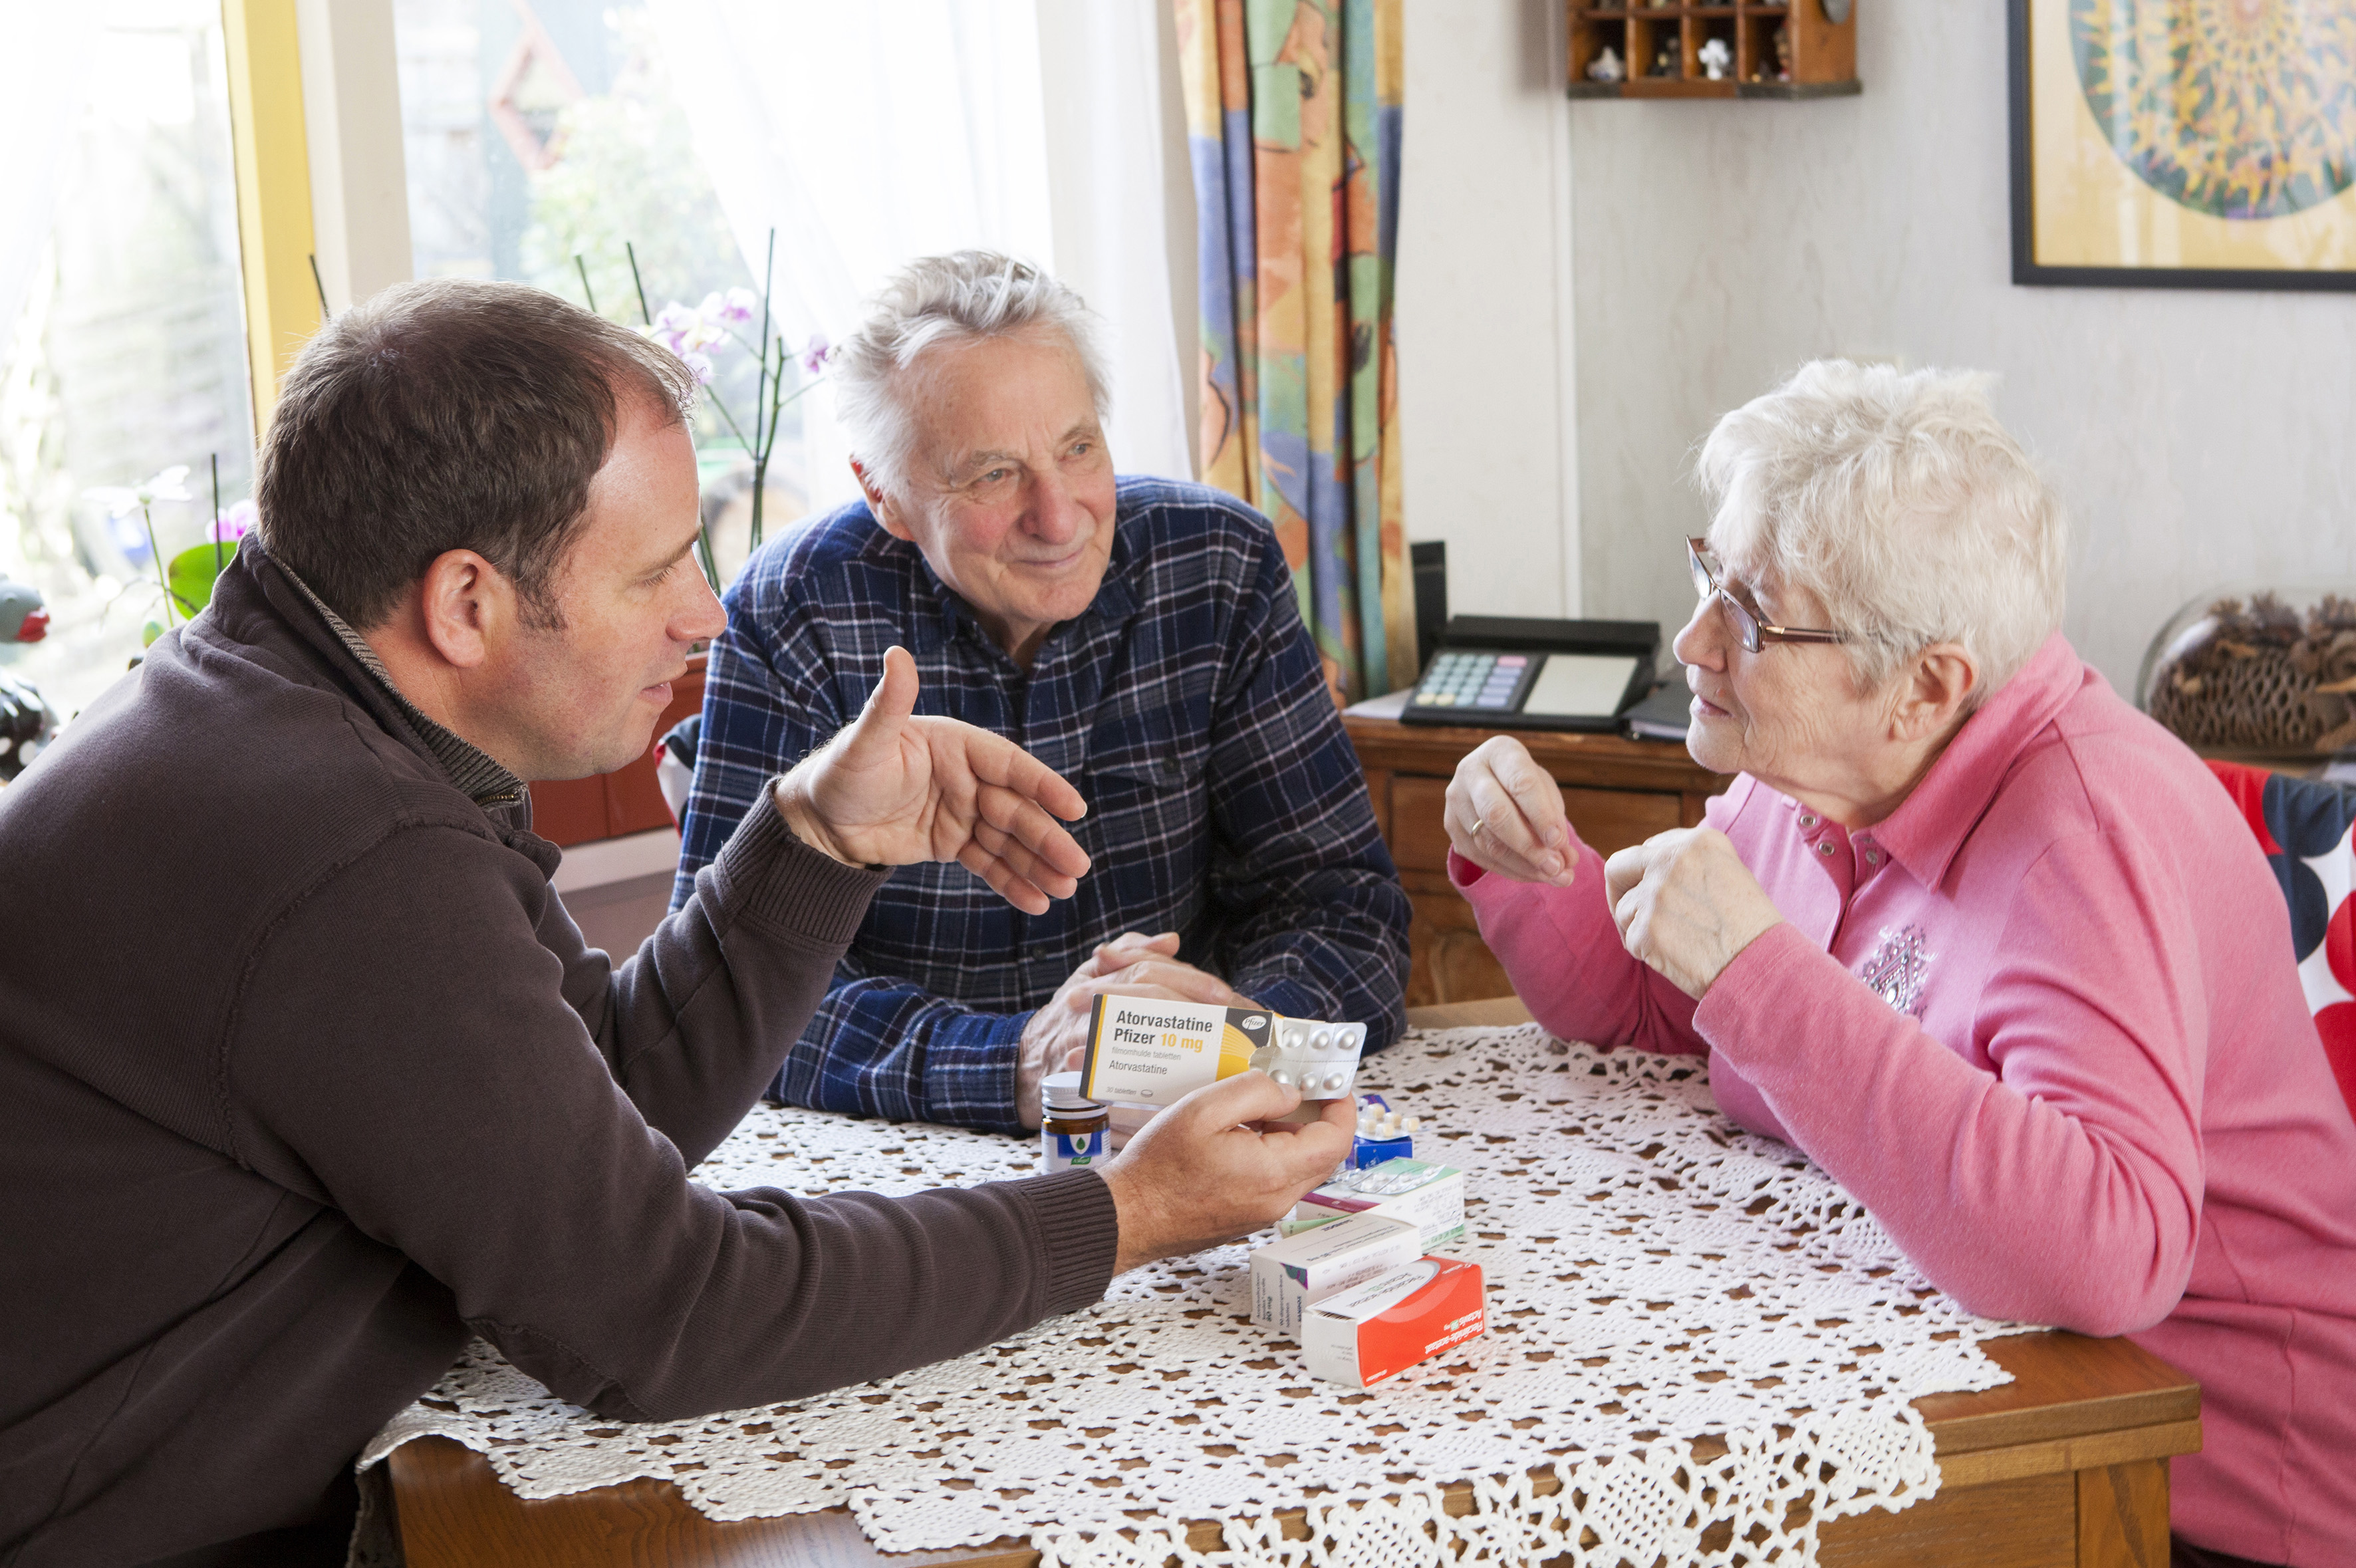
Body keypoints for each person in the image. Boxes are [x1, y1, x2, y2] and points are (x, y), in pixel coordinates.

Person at [0, 279, 1356, 1568]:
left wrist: (816, 843)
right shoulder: (340, 840)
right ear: (466, 603)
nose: (703, 617)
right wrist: (1124, 1210)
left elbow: (602, 1089)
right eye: (653, 572)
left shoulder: (288, 719)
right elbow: (663, 1313)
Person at [1444, 361, 2356, 1568]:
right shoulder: (1818, 770)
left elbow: (2108, 1255)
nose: (1694, 639)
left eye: (1753, 615)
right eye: (1709, 574)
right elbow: (1655, 1006)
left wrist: (1759, 972)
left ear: (1927, 685)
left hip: (2194, 1479)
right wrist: (1525, 856)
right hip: (1983, 1385)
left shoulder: (2081, 832)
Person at [675, 251, 1409, 1133]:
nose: (1059, 518)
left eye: (1078, 448)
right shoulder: (790, 609)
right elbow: (725, 997)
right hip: (898, 1167)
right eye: (991, 474)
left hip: (1185, 1126)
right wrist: (1020, 1060)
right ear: (885, 493)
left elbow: (1346, 906)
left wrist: (1239, 1037)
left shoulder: (1219, 566)